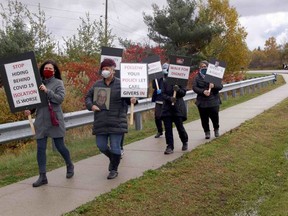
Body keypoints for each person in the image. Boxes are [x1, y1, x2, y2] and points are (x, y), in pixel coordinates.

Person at [85, 58, 137, 180]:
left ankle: (113, 169)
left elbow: (129, 99)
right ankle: (113, 158)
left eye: (107, 69)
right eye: (103, 69)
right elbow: (87, 97)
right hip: (101, 121)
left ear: (113, 70)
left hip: (117, 121)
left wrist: (133, 100)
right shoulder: (97, 85)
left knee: (115, 147)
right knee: (101, 146)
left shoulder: (122, 84)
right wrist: (90, 106)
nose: (104, 71)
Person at [24, 60, 74, 187]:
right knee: (40, 148)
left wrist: (47, 91)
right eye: (45, 67)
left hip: (54, 119)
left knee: (59, 146)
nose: (47, 69)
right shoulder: (37, 83)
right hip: (41, 119)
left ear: (54, 70)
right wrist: (30, 109)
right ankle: (42, 176)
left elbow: (59, 99)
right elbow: (36, 101)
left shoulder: (58, 83)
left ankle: (69, 164)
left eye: (50, 68)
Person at [161, 64, 189, 154]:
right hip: (167, 109)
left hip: (178, 108)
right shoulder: (165, 81)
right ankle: (169, 146)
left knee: (179, 127)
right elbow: (162, 94)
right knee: (168, 128)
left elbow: (183, 93)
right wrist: (169, 98)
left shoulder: (181, 81)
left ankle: (184, 141)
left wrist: (178, 90)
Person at [192, 60, 223, 139]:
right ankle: (207, 132)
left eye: (205, 66)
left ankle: (216, 129)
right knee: (204, 118)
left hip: (213, 100)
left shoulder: (214, 76)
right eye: (202, 67)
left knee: (214, 116)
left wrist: (214, 86)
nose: (203, 68)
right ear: (199, 68)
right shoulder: (197, 77)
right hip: (202, 101)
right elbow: (195, 87)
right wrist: (203, 91)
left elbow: (220, 86)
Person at [151, 63, 168, 138]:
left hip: (166, 99)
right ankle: (159, 131)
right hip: (159, 99)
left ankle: (168, 130)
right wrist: (154, 79)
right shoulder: (157, 77)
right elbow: (154, 86)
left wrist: (163, 90)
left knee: (166, 116)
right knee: (157, 116)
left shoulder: (169, 77)